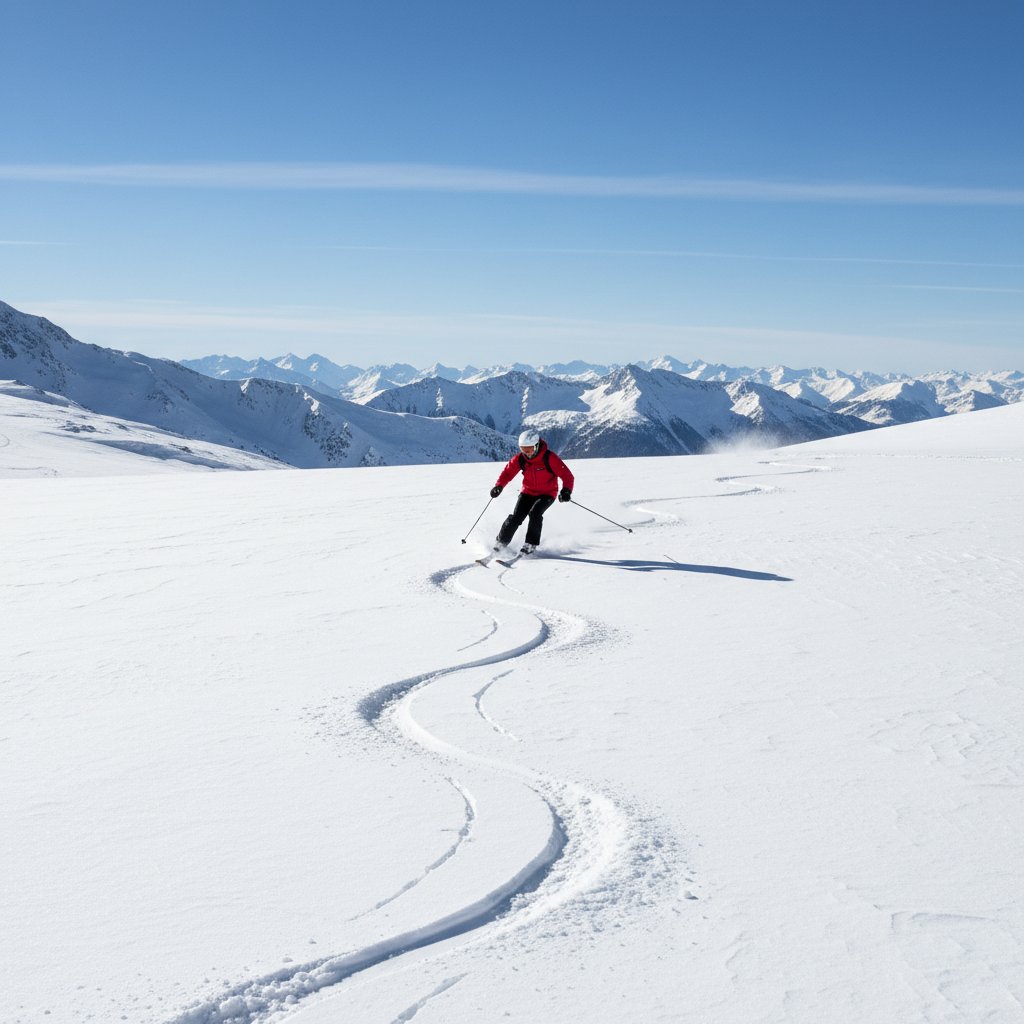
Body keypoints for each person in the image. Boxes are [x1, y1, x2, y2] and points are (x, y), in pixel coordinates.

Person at [489, 429, 574, 554]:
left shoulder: (550, 458)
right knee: (516, 517)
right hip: (528, 492)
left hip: (547, 494)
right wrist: (499, 486)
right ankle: (501, 542)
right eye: (523, 449)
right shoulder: (521, 459)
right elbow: (507, 473)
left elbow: (567, 476)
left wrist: (566, 490)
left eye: (529, 449)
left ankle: (530, 544)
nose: (526, 453)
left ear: (537, 445)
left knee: (535, 513)